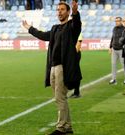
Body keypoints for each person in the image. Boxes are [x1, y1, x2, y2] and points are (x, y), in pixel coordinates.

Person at [22, 1, 81, 134]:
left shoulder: (71, 27)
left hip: (63, 67)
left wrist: (76, 13)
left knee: (60, 97)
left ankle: (60, 128)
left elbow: (77, 24)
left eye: (62, 9)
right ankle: (68, 127)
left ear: (68, 12)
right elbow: (43, 35)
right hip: (53, 67)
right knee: (60, 97)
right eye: (57, 10)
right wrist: (30, 28)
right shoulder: (55, 28)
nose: (59, 12)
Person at [109, 17, 125, 85]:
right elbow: (112, 37)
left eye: (118, 21)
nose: (116, 22)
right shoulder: (114, 28)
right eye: (115, 21)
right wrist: (110, 47)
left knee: (124, 64)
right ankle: (113, 79)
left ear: (121, 21)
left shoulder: (124, 29)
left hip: (121, 49)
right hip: (114, 49)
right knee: (113, 64)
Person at [69, 33, 82, 98]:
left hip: (75, 54)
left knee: (76, 72)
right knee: (72, 72)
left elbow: (79, 43)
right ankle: (75, 91)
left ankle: (77, 92)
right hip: (70, 53)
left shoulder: (78, 32)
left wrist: (73, 54)